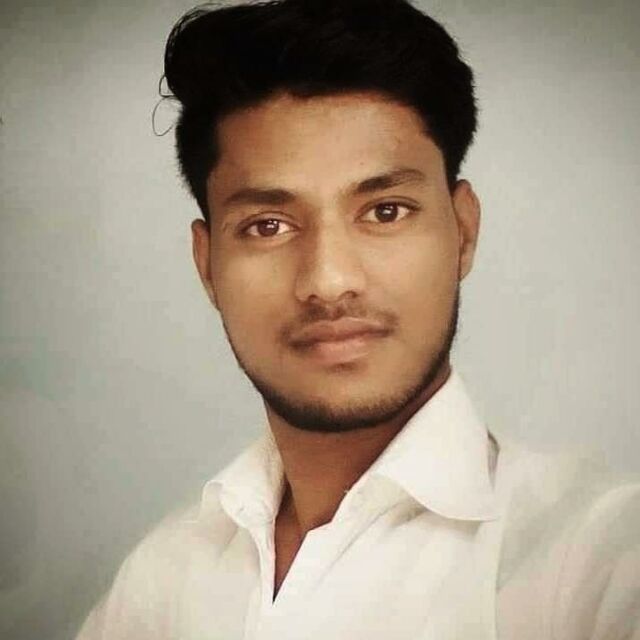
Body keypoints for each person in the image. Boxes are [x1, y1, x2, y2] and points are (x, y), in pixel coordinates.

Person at [76, 0, 640, 638]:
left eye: (385, 211)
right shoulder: (160, 582)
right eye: (268, 225)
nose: (329, 281)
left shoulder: (597, 560)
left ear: (463, 231)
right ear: (207, 264)